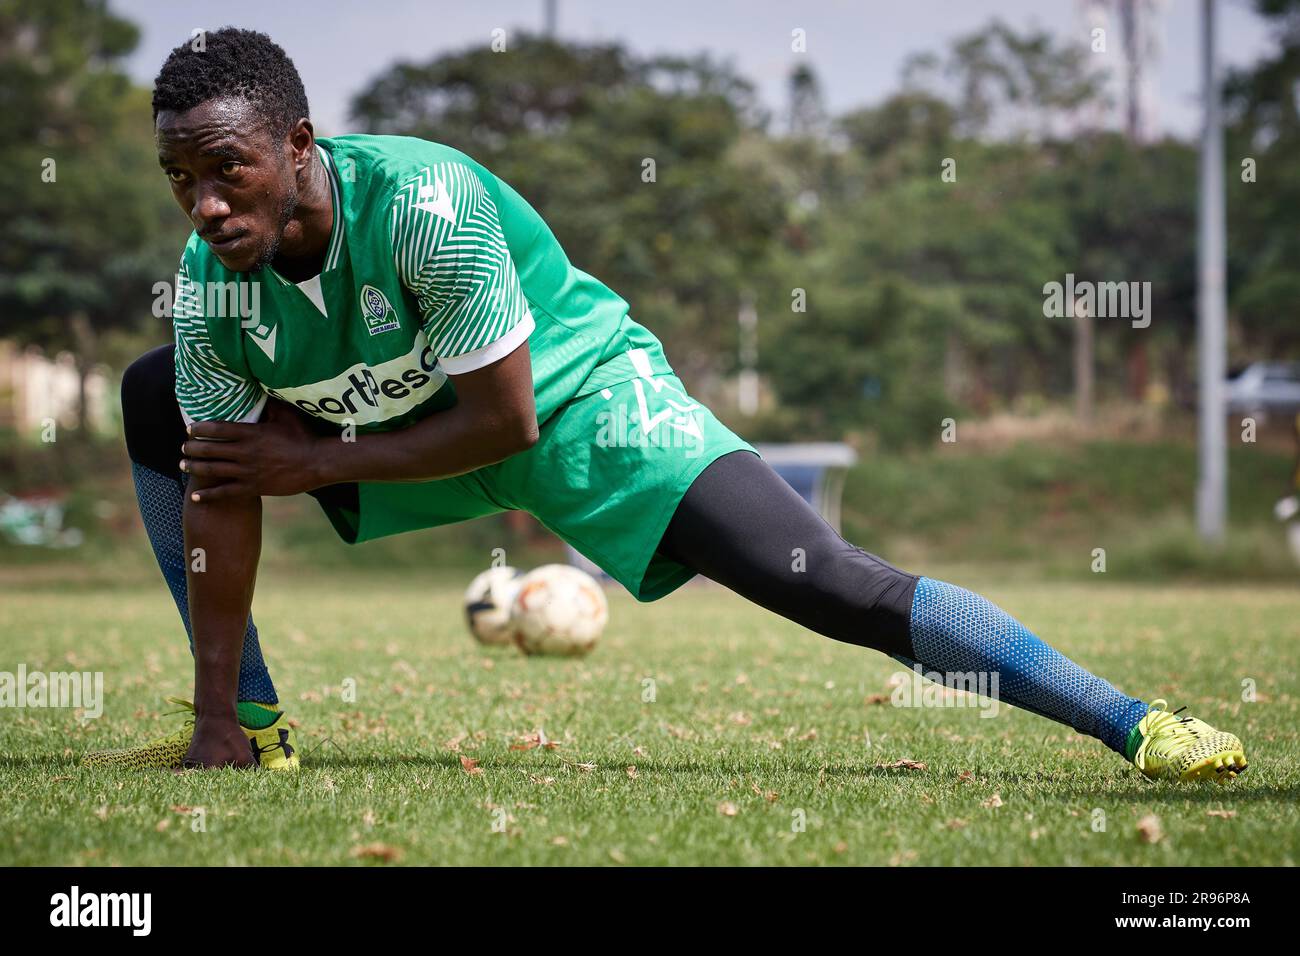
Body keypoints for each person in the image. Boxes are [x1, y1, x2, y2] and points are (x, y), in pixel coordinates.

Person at [85, 28, 1245, 784]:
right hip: (401, 436)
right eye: (179, 180)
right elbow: (222, 483)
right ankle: (254, 725)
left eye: (226, 168)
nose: (202, 203)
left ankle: (1132, 719)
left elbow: (507, 421)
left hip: (580, 407)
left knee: (832, 583)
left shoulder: (424, 204)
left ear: (295, 144)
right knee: (160, 406)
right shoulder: (209, 287)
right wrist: (210, 719)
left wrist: (320, 459)